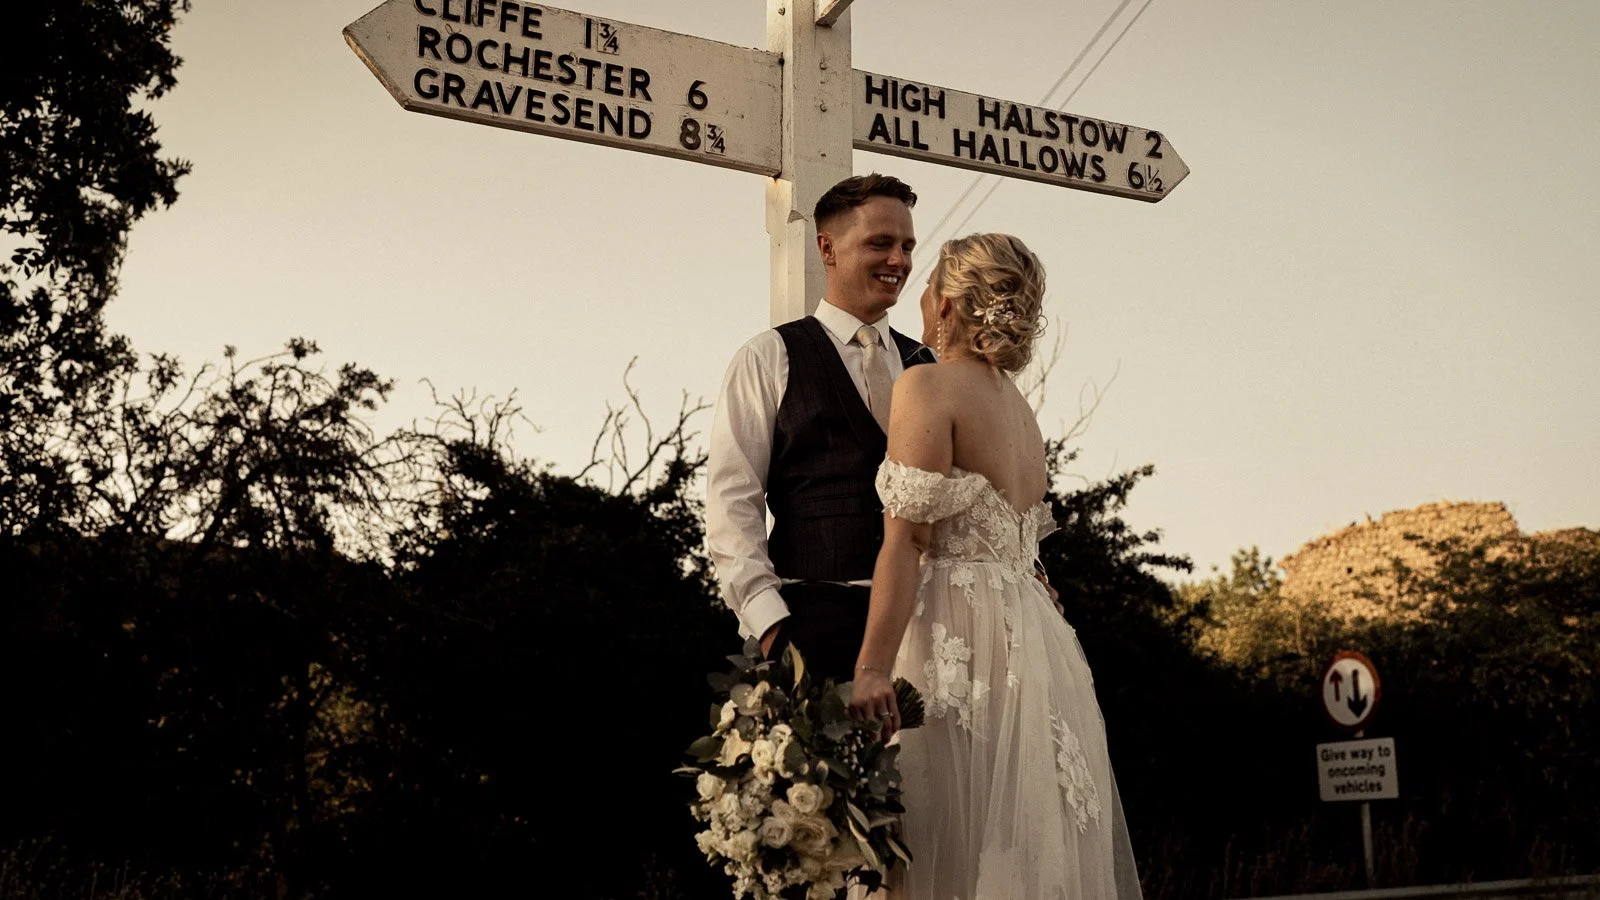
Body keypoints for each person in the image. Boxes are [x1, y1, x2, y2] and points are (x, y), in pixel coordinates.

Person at [848, 234, 1142, 899]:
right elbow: (1022, 550)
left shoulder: (925, 383)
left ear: (948, 303)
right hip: (1030, 641)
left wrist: (871, 668)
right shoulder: (1021, 412)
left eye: (927, 286)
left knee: (937, 840)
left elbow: (909, 541)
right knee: (1010, 837)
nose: (919, 297)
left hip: (956, 630)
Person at [705, 173, 932, 683]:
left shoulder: (929, 365)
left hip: (925, 630)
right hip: (809, 627)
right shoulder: (768, 357)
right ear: (827, 248)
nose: (900, 260)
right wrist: (771, 628)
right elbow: (732, 504)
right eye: (881, 243)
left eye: (907, 246)